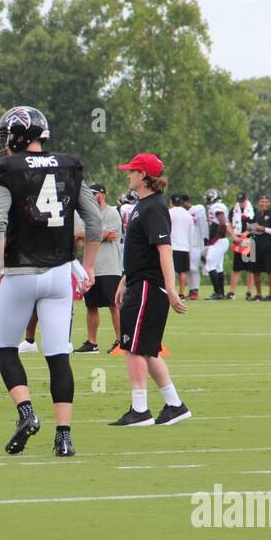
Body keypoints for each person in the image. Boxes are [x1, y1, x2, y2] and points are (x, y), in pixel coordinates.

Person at [0, 106, 100, 457]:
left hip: (21, 272)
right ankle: (64, 437)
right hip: (58, 275)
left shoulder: (9, 169)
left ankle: (27, 412)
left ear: (19, 137)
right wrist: (90, 267)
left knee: (6, 348)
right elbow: (94, 221)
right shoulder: (68, 165)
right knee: (58, 356)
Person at [108, 153, 191, 427]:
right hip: (138, 283)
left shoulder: (153, 207)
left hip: (148, 287)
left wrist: (170, 288)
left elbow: (164, 249)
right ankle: (175, 405)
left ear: (144, 176)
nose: (128, 175)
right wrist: (123, 280)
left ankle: (140, 410)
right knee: (147, 349)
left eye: (132, 171)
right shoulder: (143, 205)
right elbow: (137, 252)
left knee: (132, 348)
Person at [73, 183, 123, 354]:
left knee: (114, 305)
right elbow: (79, 239)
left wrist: (91, 234)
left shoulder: (111, 213)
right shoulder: (85, 215)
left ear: (102, 195)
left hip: (110, 267)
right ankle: (91, 342)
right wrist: (98, 234)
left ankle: (120, 340)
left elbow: (101, 234)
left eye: (93, 194)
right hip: (90, 267)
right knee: (91, 306)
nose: (91, 197)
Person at [249, 194, 271, 301]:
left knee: (270, 271)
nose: (264, 203)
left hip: (269, 246)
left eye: (266, 201)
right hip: (256, 245)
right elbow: (251, 227)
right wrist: (252, 229)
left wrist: (264, 229)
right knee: (255, 271)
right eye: (262, 201)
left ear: (269, 203)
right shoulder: (256, 214)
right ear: (259, 203)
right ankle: (259, 294)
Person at [202, 188, 230, 300]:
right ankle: (221, 293)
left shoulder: (216, 207)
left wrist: (215, 238)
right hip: (221, 241)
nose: (207, 200)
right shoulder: (218, 206)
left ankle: (217, 292)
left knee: (209, 265)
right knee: (218, 267)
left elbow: (223, 222)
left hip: (219, 241)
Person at [229, 192, 255, 299]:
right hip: (238, 240)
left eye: (243, 201)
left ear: (246, 199)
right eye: (240, 202)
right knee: (236, 268)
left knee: (250, 269)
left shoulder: (253, 210)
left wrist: (246, 234)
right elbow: (229, 225)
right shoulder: (233, 210)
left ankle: (249, 292)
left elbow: (255, 224)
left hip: (249, 241)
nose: (241, 204)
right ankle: (232, 292)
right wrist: (234, 236)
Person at [168, 193, 193, 297]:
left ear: (172, 202)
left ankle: (171, 292)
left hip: (172, 246)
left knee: (170, 271)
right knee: (183, 271)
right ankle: (181, 293)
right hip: (185, 247)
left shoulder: (169, 212)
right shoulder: (187, 214)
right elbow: (191, 232)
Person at [186, 194, 206, 300]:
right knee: (187, 269)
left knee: (194, 268)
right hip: (187, 244)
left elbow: (203, 225)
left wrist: (205, 242)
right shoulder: (183, 212)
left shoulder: (198, 209)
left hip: (197, 244)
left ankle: (195, 290)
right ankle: (191, 290)